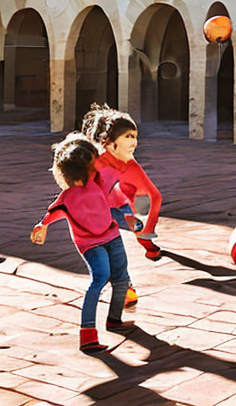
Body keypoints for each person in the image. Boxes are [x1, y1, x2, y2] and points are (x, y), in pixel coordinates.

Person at [30, 133, 135, 353]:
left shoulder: (98, 184)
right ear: (79, 171)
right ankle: (88, 334)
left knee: (121, 278)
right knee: (100, 278)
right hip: (91, 245)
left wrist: (129, 214)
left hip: (113, 237)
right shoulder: (68, 197)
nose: (97, 168)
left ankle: (114, 319)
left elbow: (117, 200)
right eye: (92, 165)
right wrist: (43, 225)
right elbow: (52, 213)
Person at [84, 104, 163, 311]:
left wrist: (149, 229)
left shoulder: (130, 165)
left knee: (136, 227)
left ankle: (148, 246)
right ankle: (125, 287)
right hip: (98, 212)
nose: (135, 143)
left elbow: (155, 196)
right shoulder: (94, 163)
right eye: (129, 137)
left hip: (121, 207)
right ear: (109, 142)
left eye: (135, 137)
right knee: (110, 250)